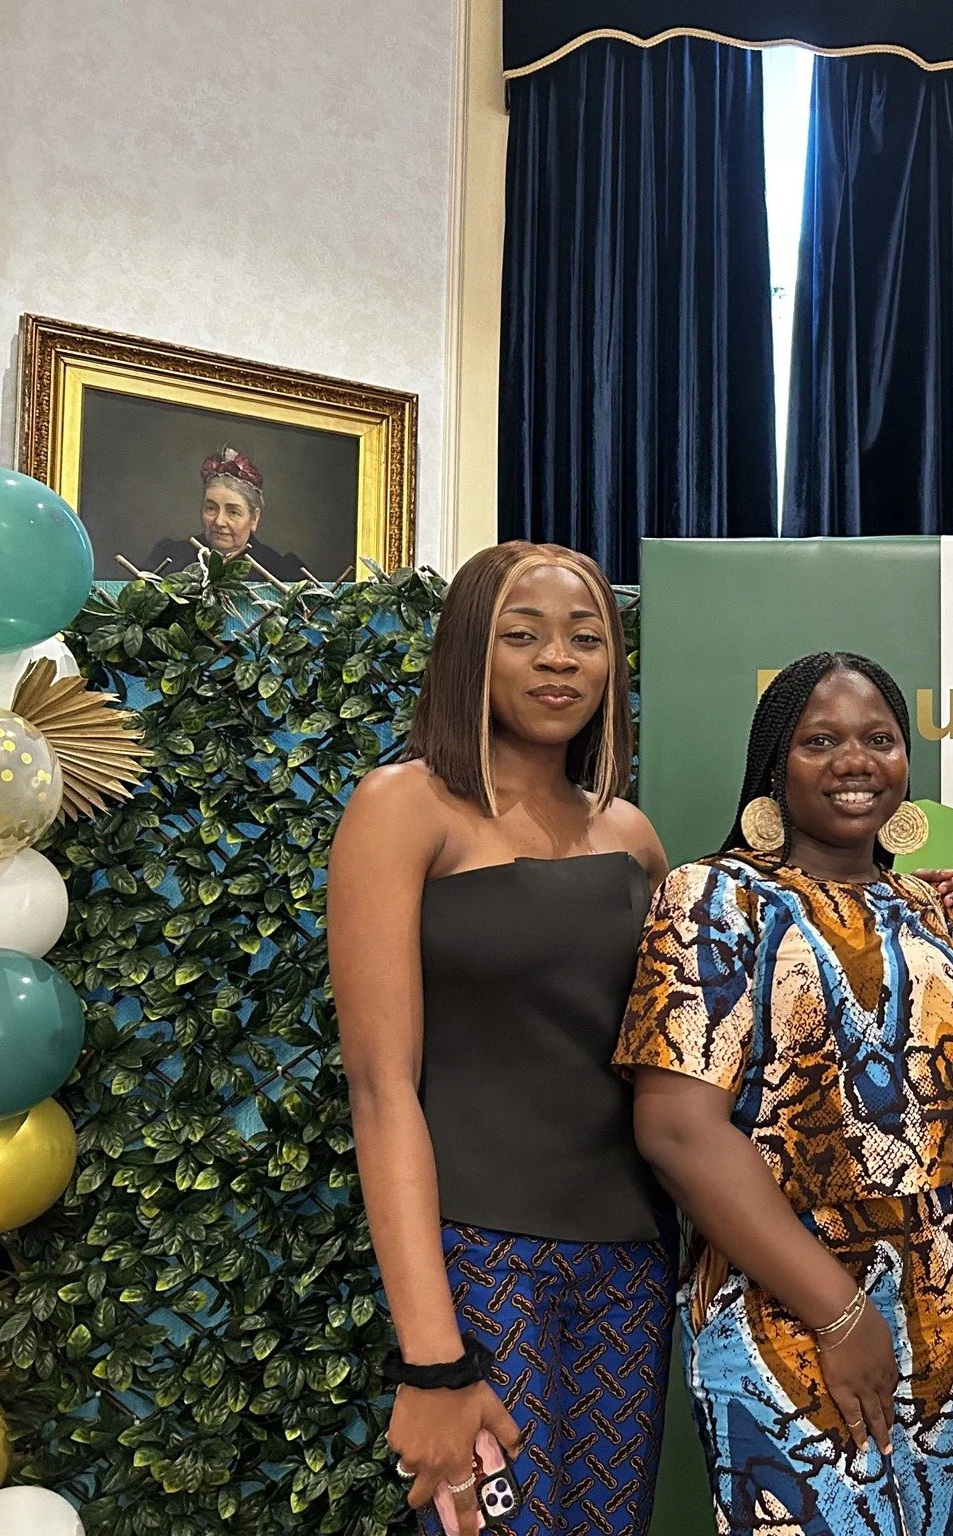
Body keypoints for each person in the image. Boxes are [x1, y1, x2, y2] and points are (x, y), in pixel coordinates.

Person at [328, 541, 673, 1536]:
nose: (558, 659)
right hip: (478, 1265)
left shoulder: (631, 837)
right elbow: (381, 1090)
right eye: (524, 636)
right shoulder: (402, 808)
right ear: (470, 653)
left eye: (585, 638)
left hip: (632, 1265)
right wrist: (433, 1360)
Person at [617, 652, 953, 1536]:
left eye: (879, 739)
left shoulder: (925, 908)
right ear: (773, 767)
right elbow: (676, 1132)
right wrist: (841, 1312)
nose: (855, 761)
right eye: (820, 741)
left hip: (948, 1317)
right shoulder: (713, 899)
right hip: (785, 1314)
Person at [141, 446, 310, 579]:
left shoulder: (281, 571)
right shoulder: (170, 558)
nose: (219, 521)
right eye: (211, 508)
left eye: (233, 512)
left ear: (254, 518)